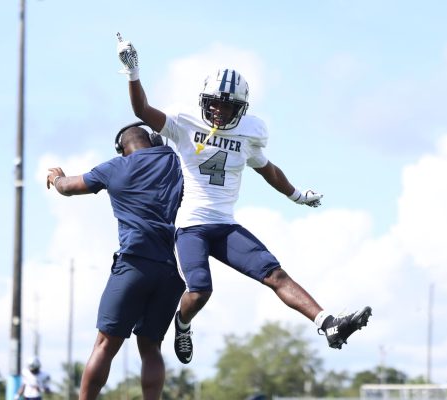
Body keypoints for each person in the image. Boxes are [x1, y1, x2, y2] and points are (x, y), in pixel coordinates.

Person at [116, 34, 372, 365]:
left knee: (275, 274)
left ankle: (329, 325)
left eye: (228, 105)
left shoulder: (250, 132)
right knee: (201, 289)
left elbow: (268, 169)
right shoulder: (183, 121)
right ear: (205, 101)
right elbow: (142, 110)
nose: (220, 111)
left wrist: (296, 196)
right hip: (191, 226)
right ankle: (182, 324)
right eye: (215, 103)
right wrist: (133, 72)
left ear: (241, 108)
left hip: (224, 225)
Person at [46, 123, 185, 400]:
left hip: (133, 265)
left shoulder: (113, 168)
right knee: (151, 348)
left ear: (122, 150)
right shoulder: (172, 161)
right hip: (168, 272)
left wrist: (57, 177)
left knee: (105, 344)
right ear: (153, 139)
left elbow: (69, 187)